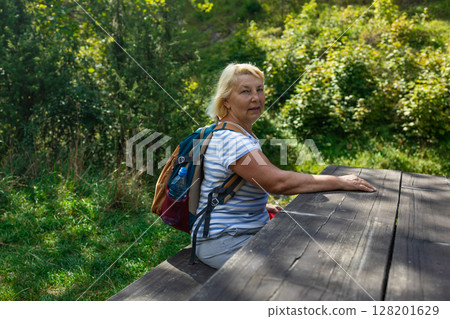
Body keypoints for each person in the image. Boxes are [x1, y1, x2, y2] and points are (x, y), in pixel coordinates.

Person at [192, 63, 376, 269]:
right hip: (224, 241)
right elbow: (277, 183)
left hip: (233, 233)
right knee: (311, 265)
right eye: (245, 91)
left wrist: (259, 207)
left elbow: (226, 184)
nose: (256, 98)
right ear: (226, 101)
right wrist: (339, 181)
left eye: (259, 89)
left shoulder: (231, 131)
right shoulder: (232, 140)